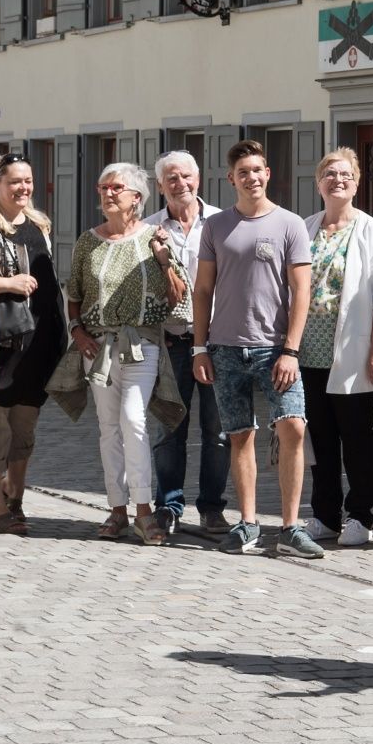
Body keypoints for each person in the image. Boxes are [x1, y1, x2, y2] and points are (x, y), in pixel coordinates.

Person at [192, 140, 316, 559]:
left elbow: (302, 292)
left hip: (276, 349)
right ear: (232, 179)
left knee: (293, 426)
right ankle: (247, 524)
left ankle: (291, 527)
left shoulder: (290, 224)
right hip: (225, 348)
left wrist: (291, 351)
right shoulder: (216, 226)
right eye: (243, 172)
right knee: (240, 436)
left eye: (258, 170)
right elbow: (203, 289)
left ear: (268, 174)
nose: (252, 178)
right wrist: (199, 347)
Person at [65, 162, 187, 545]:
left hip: (142, 344)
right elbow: (75, 296)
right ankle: (117, 508)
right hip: (98, 346)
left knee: (134, 420)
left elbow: (178, 296)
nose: (107, 194)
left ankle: (144, 510)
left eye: (115, 187)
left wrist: (164, 259)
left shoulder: (155, 236)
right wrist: (77, 332)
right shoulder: (88, 241)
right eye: (102, 188)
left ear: (137, 197)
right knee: (108, 427)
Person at [298, 149, 373, 549]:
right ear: (319, 182)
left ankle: (359, 515)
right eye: (329, 173)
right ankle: (324, 514)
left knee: (356, 437)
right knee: (319, 438)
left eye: (345, 175)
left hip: (353, 351)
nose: (337, 180)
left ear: (357, 184)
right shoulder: (304, 228)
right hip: (308, 353)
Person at [0, 151, 66, 535]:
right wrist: (8, 283)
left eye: (28, 181)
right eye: (14, 182)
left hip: (38, 346)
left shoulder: (38, 225)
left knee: (24, 429)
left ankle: (15, 496)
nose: (22, 188)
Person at [147, 151, 229, 538]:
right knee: (169, 427)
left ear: (199, 179)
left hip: (216, 340)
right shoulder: (148, 230)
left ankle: (212, 508)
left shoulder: (223, 223)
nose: (181, 184)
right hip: (171, 340)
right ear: (160, 186)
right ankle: (169, 505)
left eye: (186, 177)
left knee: (218, 430)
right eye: (171, 178)